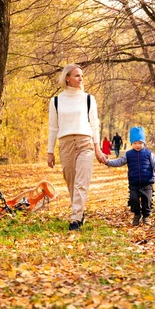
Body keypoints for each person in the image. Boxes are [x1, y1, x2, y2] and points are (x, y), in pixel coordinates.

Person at [47, 63, 108, 231]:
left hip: (85, 143)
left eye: (81, 75)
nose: (80, 78)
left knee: (82, 182)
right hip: (65, 145)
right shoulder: (56, 101)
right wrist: (49, 151)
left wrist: (97, 148)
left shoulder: (88, 99)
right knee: (71, 182)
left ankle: (75, 219)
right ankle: (80, 213)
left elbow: (94, 125)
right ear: (67, 78)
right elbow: (53, 127)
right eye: (76, 75)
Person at [105, 126, 155, 226]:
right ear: (131, 143)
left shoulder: (149, 154)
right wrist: (107, 162)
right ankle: (137, 215)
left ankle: (146, 216)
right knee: (133, 199)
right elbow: (119, 162)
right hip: (134, 183)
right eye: (135, 143)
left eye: (140, 143)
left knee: (147, 200)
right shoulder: (128, 154)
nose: (138, 145)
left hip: (147, 182)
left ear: (144, 143)